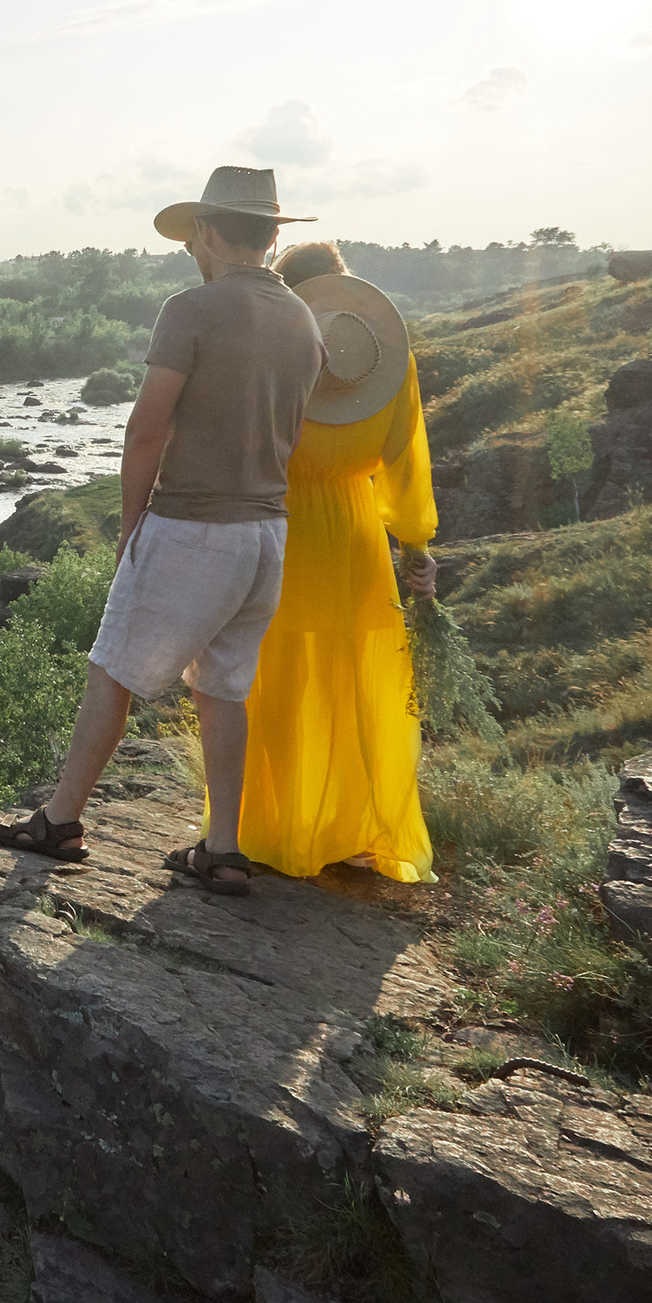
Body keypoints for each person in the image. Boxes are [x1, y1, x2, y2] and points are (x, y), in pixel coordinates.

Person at [0, 166, 324, 897]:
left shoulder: (191, 309)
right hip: (266, 533)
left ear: (206, 230)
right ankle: (224, 848)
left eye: (192, 234)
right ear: (271, 234)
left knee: (112, 666)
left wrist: (133, 522)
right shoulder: (302, 318)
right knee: (224, 687)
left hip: (192, 525)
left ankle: (61, 820)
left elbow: (146, 429)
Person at [235, 242, 439, 881]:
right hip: (357, 539)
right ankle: (352, 829)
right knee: (352, 678)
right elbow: (406, 464)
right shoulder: (387, 363)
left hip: (278, 531)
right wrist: (416, 548)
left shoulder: (267, 357)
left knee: (281, 681)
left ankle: (279, 826)